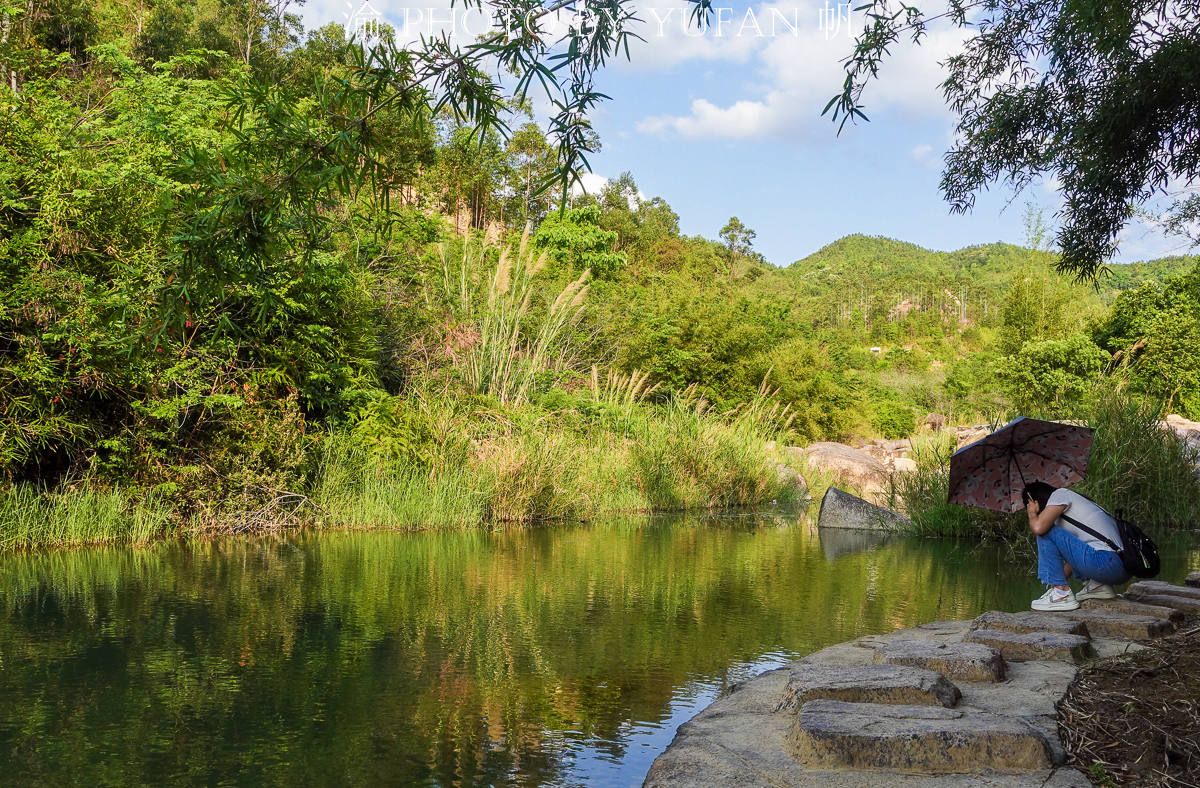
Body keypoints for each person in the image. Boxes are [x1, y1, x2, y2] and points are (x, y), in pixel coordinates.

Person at [1022, 481, 1131, 612]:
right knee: (1054, 533)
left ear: (1033, 501)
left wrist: (1032, 514)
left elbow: (1038, 528)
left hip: (1107, 563)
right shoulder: (1071, 509)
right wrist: (1056, 580)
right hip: (1121, 568)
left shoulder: (1060, 494)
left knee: (1045, 532)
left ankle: (1061, 596)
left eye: (1027, 504)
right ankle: (1098, 586)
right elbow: (1075, 556)